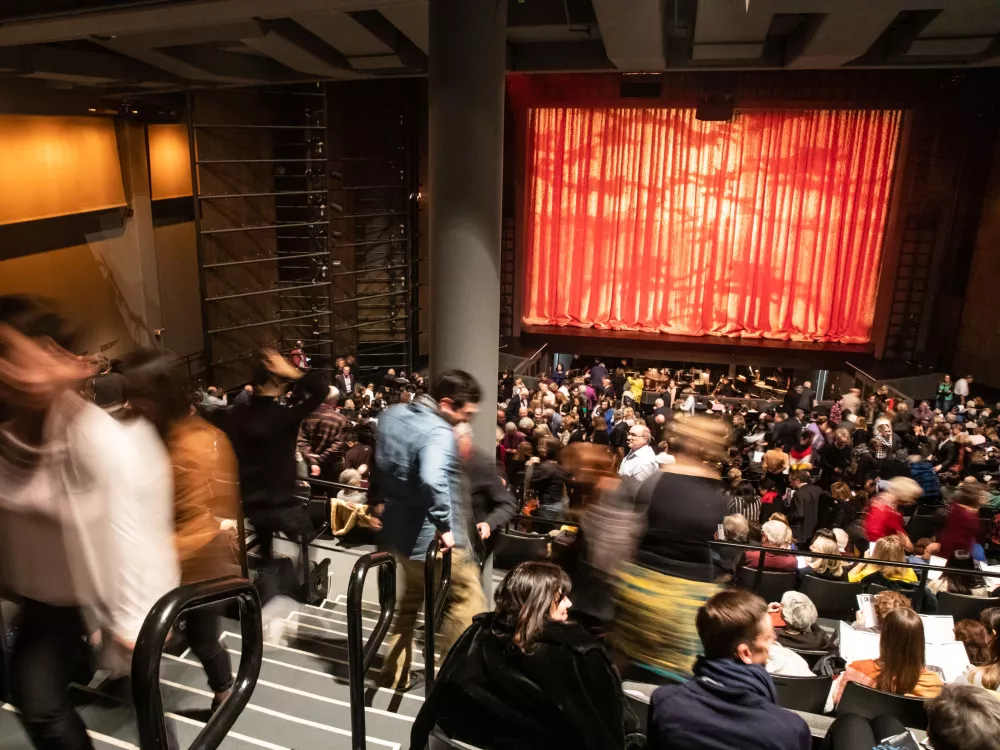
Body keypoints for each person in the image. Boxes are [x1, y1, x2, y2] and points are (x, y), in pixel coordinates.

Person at [0, 297, 178, 750]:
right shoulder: (13, 423)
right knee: (36, 698)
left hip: (98, 592)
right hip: (46, 598)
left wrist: (132, 618)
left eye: (18, 354)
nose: (11, 371)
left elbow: (131, 529)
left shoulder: (96, 438)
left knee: (140, 702)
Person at [121, 349, 240, 710]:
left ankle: (225, 692)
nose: (132, 403)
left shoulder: (197, 443)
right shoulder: (153, 433)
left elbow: (198, 521)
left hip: (198, 562)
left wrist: (150, 568)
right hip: (167, 560)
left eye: (139, 394)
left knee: (203, 639)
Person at [411, 561, 629, 750]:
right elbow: (605, 736)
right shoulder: (580, 655)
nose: (569, 604)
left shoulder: (480, 633)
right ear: (540, 602)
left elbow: (438, 699)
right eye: (561, 598)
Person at [377, 370, 489, 691]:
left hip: (400, 534)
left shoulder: (391, 415)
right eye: (465, 414)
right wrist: (444, 525)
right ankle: (454, 682)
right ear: (446, 404)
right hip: (436, 541)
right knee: (467, 600)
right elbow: (431, 478)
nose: (466, 423)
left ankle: (394, 674)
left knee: (411, 600)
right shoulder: (439, 432)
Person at [228, 349, 327, 639]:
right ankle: (292, 597)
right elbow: (321, 391)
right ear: (277, 382)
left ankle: (264, 611)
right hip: (282, 501)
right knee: (306, 537)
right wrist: (294, 371)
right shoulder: (282, 417)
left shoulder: (238, 414)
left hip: (252, 501)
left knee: (268, 554)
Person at [647, 589, 811, 750]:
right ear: (745, 653)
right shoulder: (790, 731)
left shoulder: (665, 702)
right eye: (768, 637)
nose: (774, 639)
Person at [832, 607, 943, 707]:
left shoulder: (857, 669)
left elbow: (841, 706)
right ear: (920, 642)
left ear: (884, 638)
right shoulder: (934, 684)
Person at [296, 385, 349, 481]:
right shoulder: (341, 420)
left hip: (309, 467)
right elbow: (338, 446)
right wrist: (320, 458)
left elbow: (301, 441)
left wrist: (313, 462)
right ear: (335, 400)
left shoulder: (306, 416)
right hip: (332, 470)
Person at [863, 476, 918, 549]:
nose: (912, 502)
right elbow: (874, 533)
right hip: (882, 548)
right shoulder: (886, 509)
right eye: (911, 498)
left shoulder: (883, 501)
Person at [527, 437, 568, 523]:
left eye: (543, 447)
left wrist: (530, 466)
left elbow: (529, 483)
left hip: (547, 507)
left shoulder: (546, 467)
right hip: (558, 503)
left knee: (541, 532)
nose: (540, 449)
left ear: (549, 450)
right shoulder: (559, 465)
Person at [787, 470, 822, 544]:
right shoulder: (818, 489)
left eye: (791, 482)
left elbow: (799, 514)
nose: (790, 484)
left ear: (797, 481)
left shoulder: (798, 493)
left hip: (803, 530)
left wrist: (787, 517)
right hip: (817, 527)